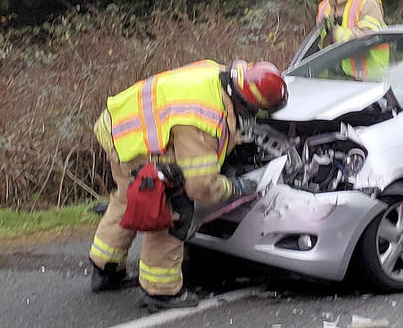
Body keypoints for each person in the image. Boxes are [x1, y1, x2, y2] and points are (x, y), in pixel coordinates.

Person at [88, 58, 288, 306]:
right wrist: (235, 187)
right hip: (132, 140)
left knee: (128, 198)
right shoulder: (203, 119)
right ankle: (161, 291)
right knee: (172, 208)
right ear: (245, 103)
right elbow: (200, 187)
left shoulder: (216, 73)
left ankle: (105, 268)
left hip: (119, 127)